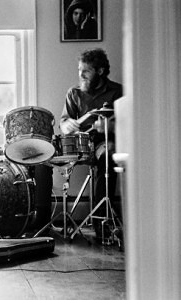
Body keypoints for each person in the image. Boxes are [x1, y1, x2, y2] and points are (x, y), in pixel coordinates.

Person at [59, 48, 123, 241]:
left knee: (106, 157)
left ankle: (102, 224)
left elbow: (130, 121)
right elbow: (63, 123)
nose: (81, 74)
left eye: (86, 71)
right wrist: (67, 124)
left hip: (106, 143)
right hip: (81, 145)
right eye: (80, 70)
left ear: (100, 71)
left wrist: (110, 125)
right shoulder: (74, 93)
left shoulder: (118, 91)